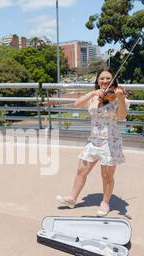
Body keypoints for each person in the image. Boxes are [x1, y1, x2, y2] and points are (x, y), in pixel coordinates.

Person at [56, 68, 129, 216]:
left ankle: (105, 203)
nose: (105, 81)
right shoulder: (95, 96)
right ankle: (72, 198)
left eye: (108, 78)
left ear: (113, 80)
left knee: (107, 176)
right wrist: (93, 93)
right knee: (81, 171)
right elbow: (77, 104)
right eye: (102, 78)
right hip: (93, 141)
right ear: (97, 80)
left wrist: (121, 99)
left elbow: (121, 116)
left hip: (110, 142)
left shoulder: (117, 96)